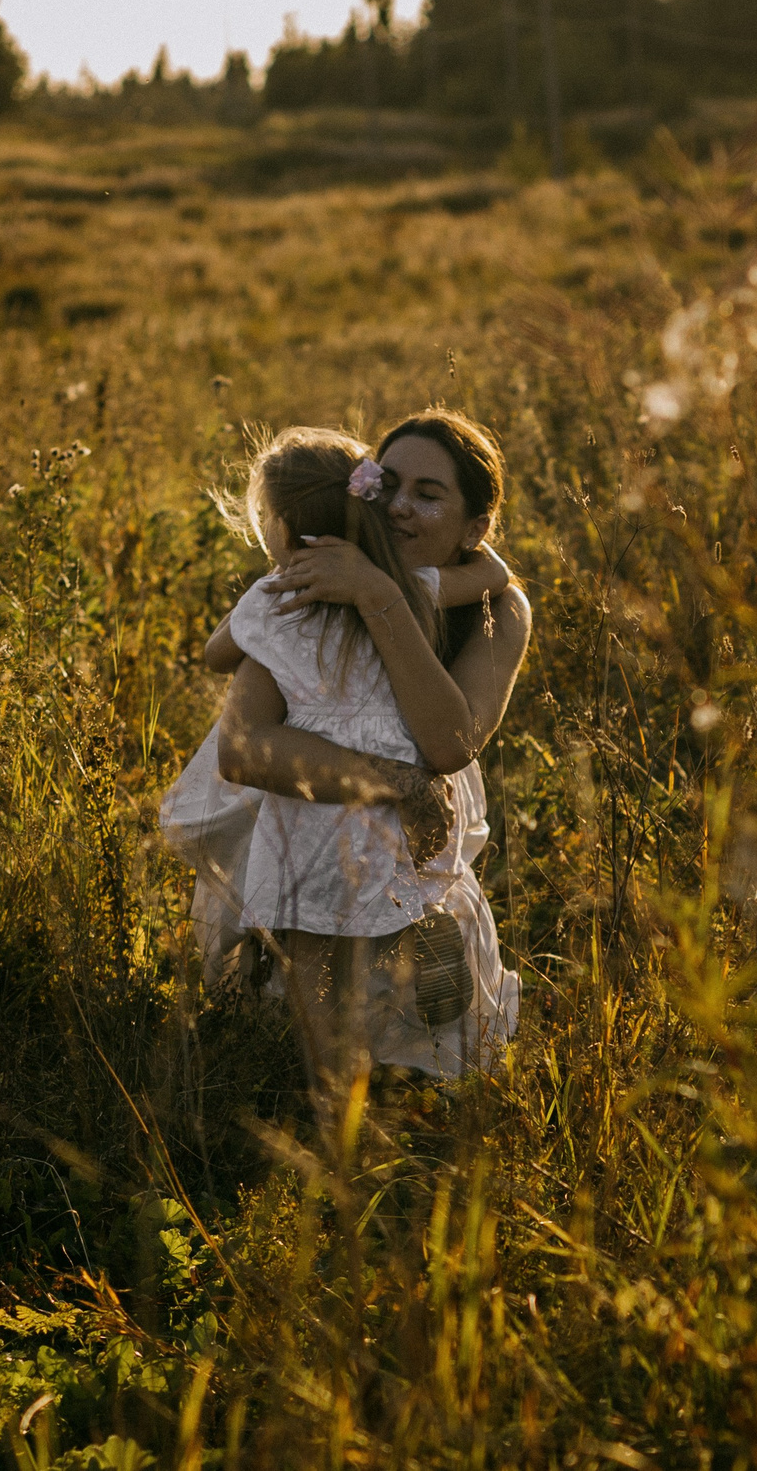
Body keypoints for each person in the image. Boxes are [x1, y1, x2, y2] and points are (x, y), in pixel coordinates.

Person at [218, 411, 533, 1105]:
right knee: (306, 991)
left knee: (430, 1053)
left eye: (428, 494)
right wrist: (393, 783)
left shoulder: (495, 609)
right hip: (312, 815)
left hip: (418, 843)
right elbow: (241, 747)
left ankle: (421, 1003)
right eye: (387, 485)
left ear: (475, 528)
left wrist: (380, 595)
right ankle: (326, 1081)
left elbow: (447, 746)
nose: (398, 507)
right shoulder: (317, 591)